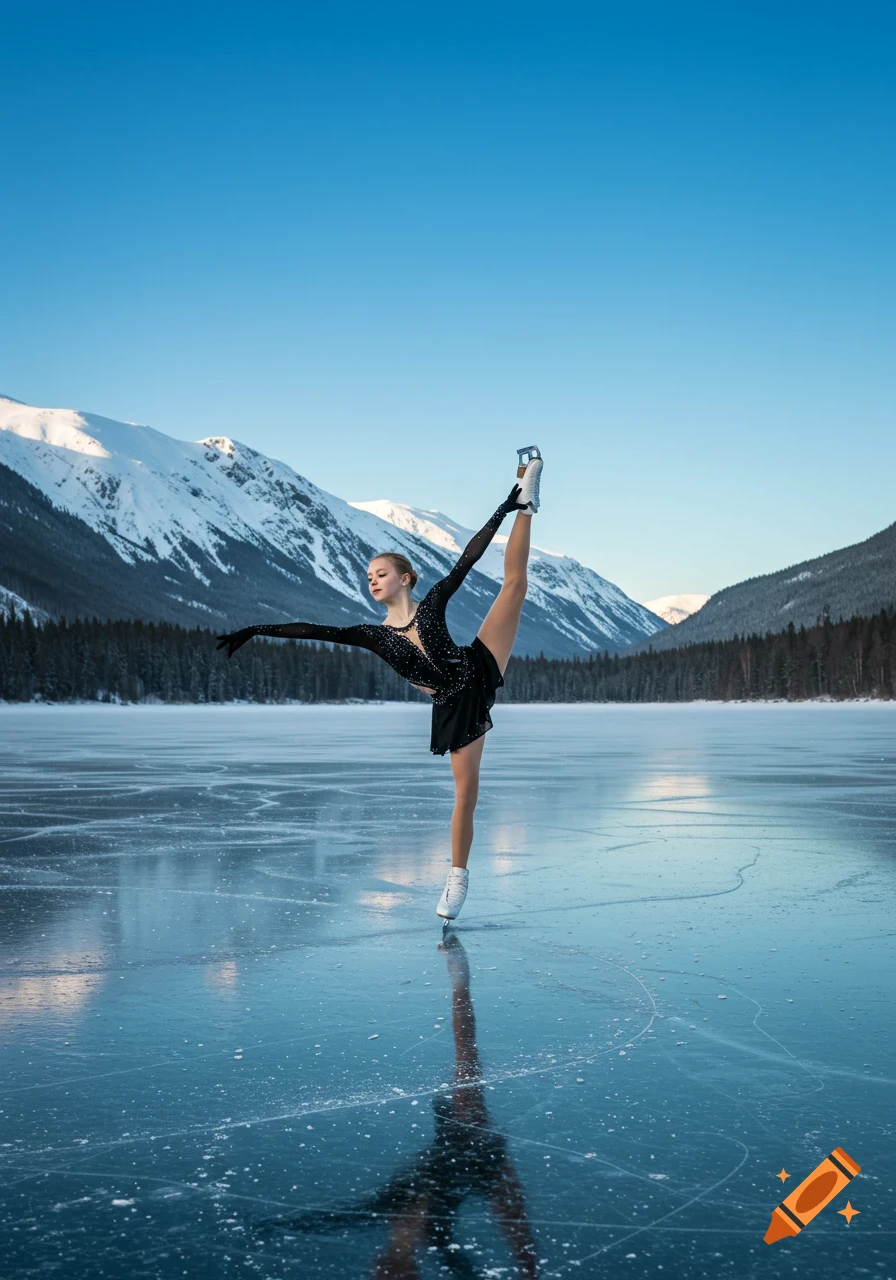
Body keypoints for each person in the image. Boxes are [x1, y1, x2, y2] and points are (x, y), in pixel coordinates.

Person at [217, 447, 543, 922]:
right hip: (454, 704)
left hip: (476, 666)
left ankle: (526, 501)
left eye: (382, 573)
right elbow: (315, 630)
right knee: (466, 795)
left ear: (405, 578)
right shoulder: (372, 636)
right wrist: (255, 629)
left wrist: (504, 508)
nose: (373, 580)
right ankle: (457, 879)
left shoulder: (431, 604)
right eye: (368, 576)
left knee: (514, 586)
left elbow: (468, 558)